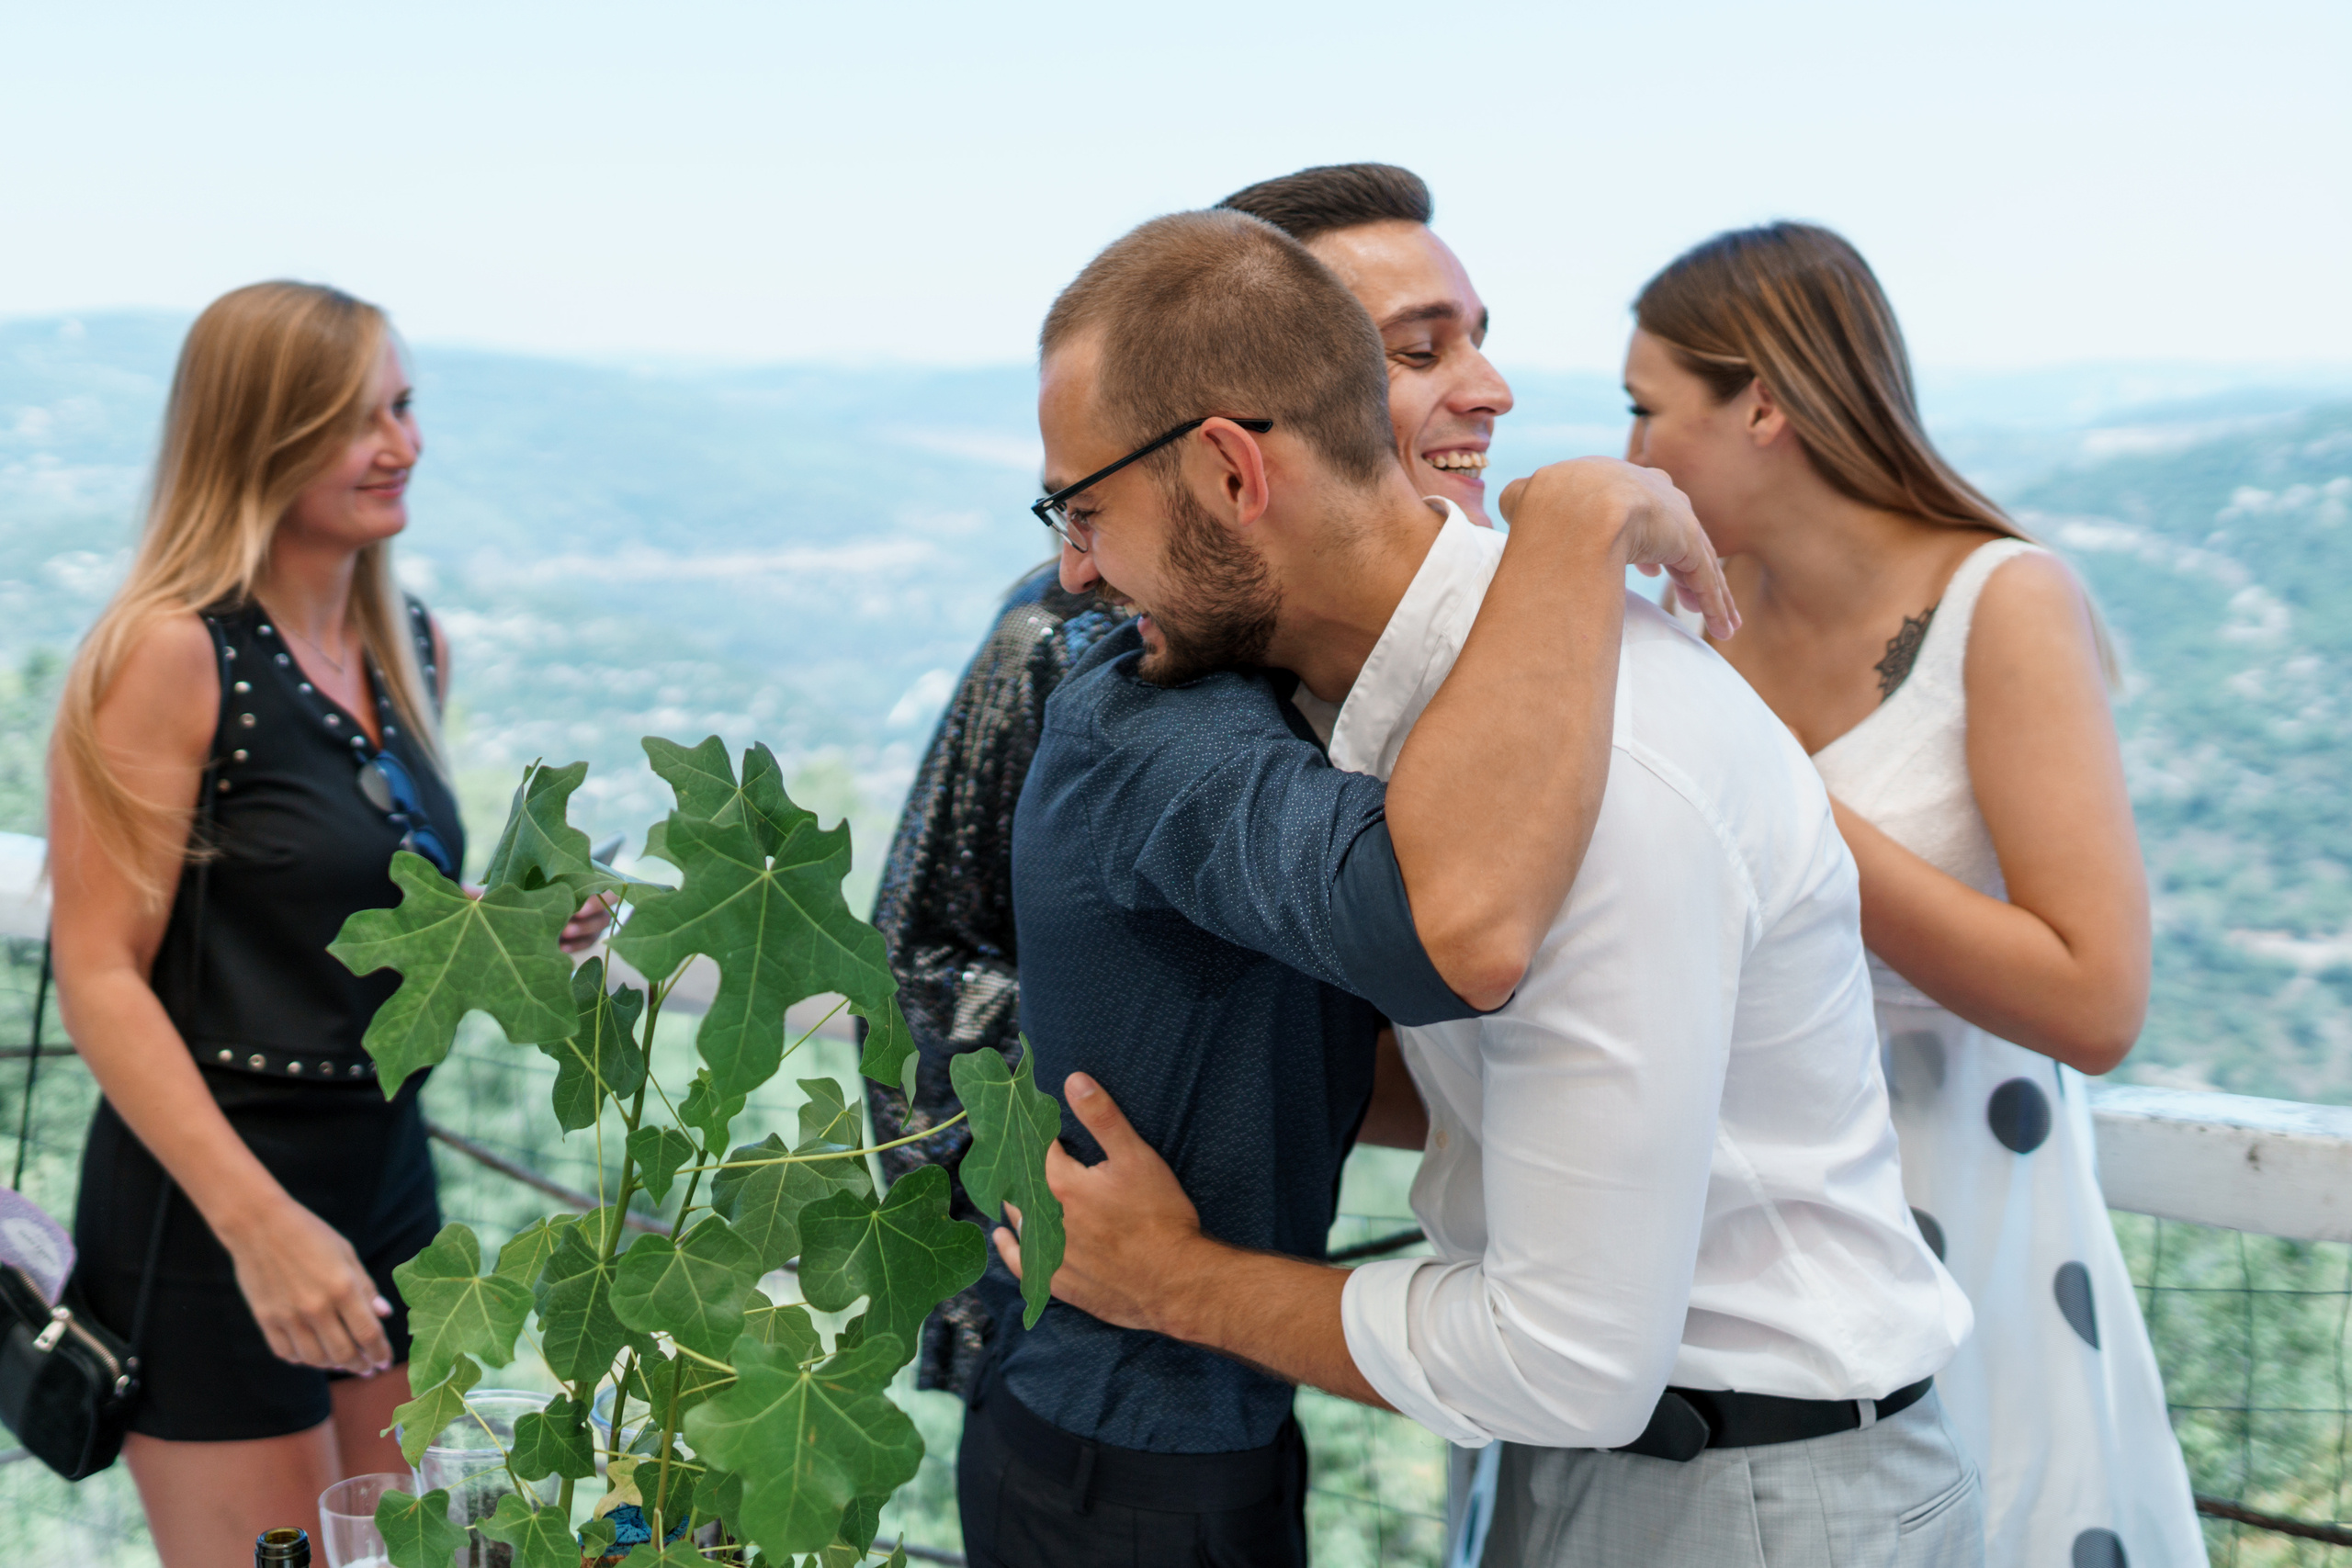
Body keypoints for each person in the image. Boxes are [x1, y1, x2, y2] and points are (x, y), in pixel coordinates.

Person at [989, 209, 1984, 1568]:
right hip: (1617, 1461)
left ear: (1228, 473)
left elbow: (1570, 1358)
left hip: (1753, 1498)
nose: (1073, 571)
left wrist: (1179, 1283)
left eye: (1085, 508)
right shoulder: (1381, 721)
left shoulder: (1613, 762)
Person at [864, 162, 1511, 1393]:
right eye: (1413, 355)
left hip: (1250, 1354)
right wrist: (1005, 1254)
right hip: (1098, 1356)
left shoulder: (1423, 647)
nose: (1485, 391)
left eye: (1475, 341)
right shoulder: (1086, 646)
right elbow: (923, 941)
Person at [1620, 222, 2202, 1566]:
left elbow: (2097, 1002)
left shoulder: (2005, 602)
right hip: (1706, 1298)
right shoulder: (1683, 619)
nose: (1634, 453)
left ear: (1762, 401)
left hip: (1961, 1254)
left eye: (1650, 407)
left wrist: (1775, 804)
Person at [46, 282, 606, 1568]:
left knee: (417, 1555)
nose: (402, 445)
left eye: (402, 407)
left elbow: (353, 909)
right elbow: (99, 974)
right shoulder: (165, 655)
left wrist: (515, 924)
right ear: (259, 437)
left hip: (388, 1182)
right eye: (354, 421)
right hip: (211, 1214)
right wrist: (263, 1226)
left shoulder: (409, 639)